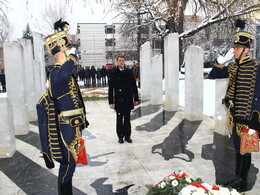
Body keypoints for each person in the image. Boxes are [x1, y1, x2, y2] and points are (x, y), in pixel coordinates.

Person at [36, 19, 89, 195]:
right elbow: (65, 73)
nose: (69, 53)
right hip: (65, 127)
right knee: (68, 163)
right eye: (66, 50)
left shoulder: (62, 72)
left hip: (73, 125)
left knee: (71, 163)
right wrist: (72, 56)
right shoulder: (56, 73)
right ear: (60, 53)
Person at [208, 19, 259, 192]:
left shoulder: (256, 66)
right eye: (234, 48)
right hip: (234, 117)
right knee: (238, 149)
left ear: (246, 49)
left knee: (246, 150)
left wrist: (255, 121)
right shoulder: (233, 67)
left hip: (248, 119)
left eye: (237, 49)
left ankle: (243, 181)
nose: (234, 51)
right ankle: (238, 177)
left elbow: (258, 94)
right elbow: (213, 74)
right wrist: (222, 60)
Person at [108, 55, 139, 144]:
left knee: (127, 119)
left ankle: (127, 136)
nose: (121, 62)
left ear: (124, 61)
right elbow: (111, 88)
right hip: (119, 99)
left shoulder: (129, 72)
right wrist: (111, 101)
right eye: (120, 60)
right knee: (119, 119)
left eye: (123, 60)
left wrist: (136, 98)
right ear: (117, 61)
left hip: (128, 99)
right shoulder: (113, 72)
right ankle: (120, 136)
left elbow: (134, 86)